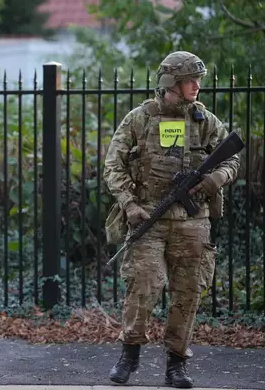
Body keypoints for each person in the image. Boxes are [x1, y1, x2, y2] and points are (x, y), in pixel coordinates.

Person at [103, 51, 240, 388]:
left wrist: (213, 180)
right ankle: (129, 354)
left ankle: (176, 365)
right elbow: (113, 165)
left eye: (197, 80)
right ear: (171, 84)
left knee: (189, 291)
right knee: (144, 285)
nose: (197, 86)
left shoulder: (204, 120)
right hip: (149, 215)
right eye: (190, 80)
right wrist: (130, 205)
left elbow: (231, 159)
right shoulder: (140, 118)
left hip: (193, 223)